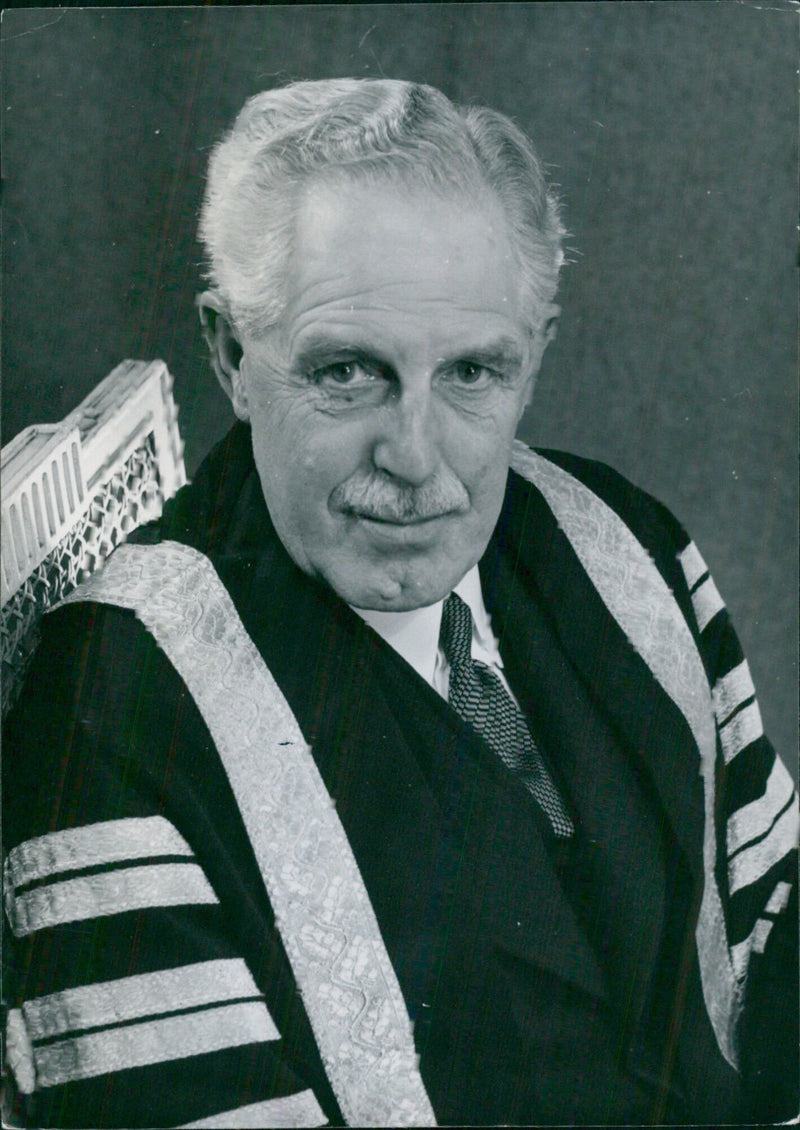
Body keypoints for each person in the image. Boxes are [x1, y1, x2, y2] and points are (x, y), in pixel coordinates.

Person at [3, 79, 797, 1128]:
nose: (415, 457)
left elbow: (772, 937)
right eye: (346, 372)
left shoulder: (626, 538)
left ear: (537, 349)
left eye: (472, 371)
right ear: (232, 355)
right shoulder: (109, 699)